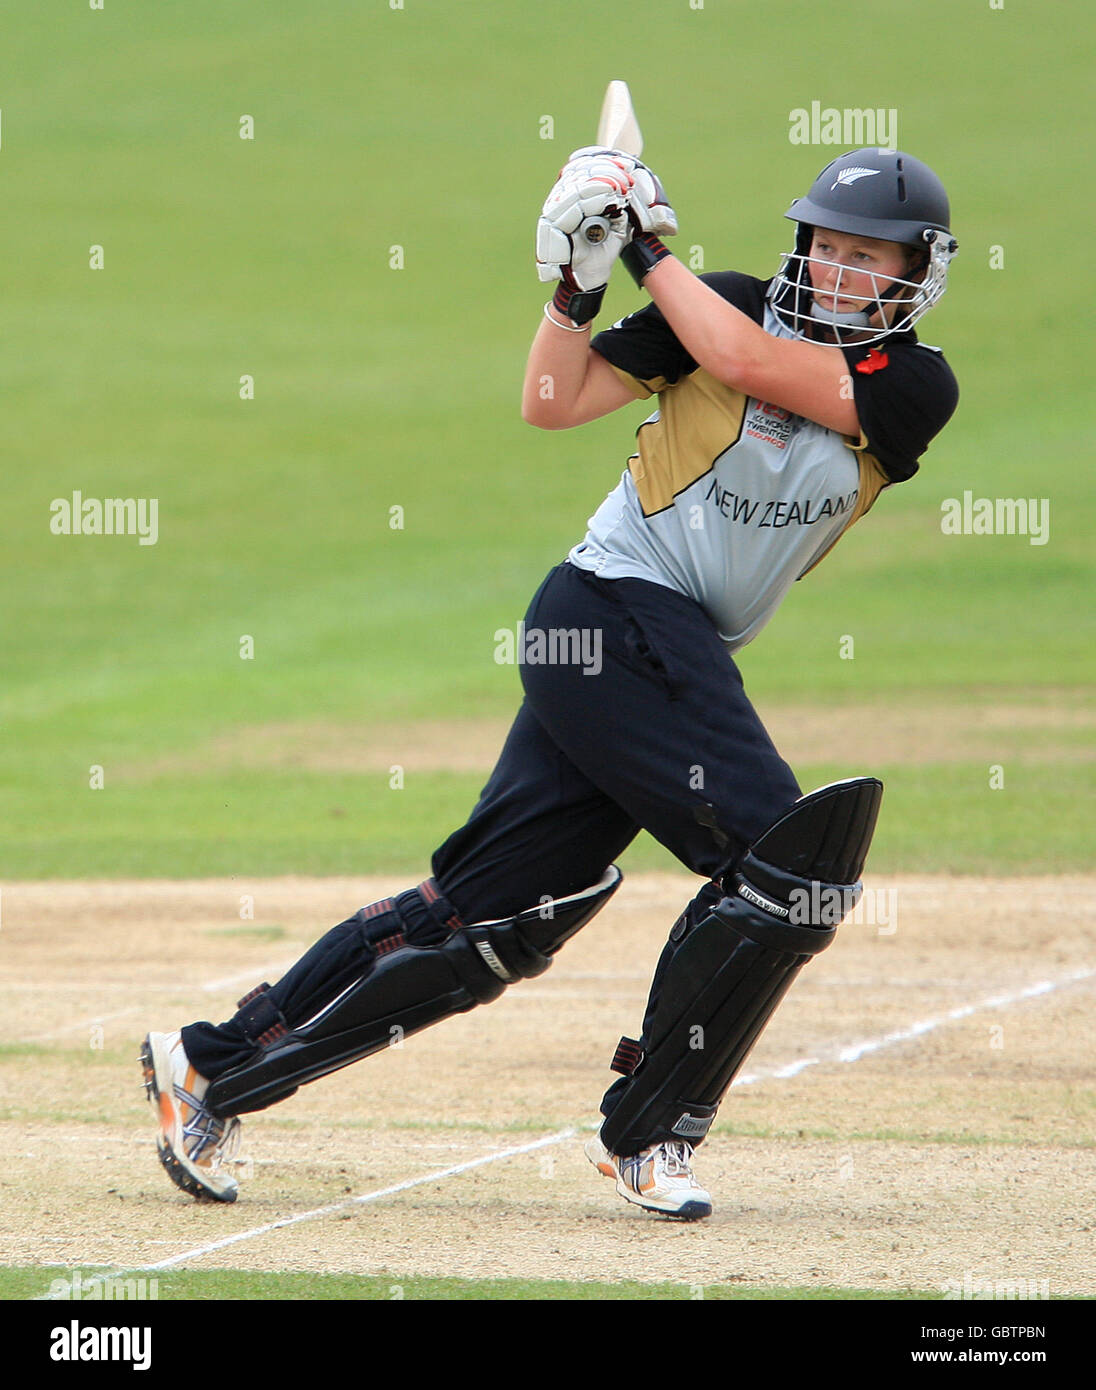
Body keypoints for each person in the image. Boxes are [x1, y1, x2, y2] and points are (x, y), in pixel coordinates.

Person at [141, 144, 958, 1220]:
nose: (843, 270)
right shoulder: (721, 306)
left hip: (654, 648)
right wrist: (576, 286)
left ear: (915, 277)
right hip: (608, 608)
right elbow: (549, 399)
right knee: (787, 868)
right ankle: (652, 1132)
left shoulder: (911, 384)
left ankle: (208, 1065)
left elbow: (755, 368)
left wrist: (643, 247)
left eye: (871, 259)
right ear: (801, 245)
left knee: (491, 920)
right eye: (831, 247)